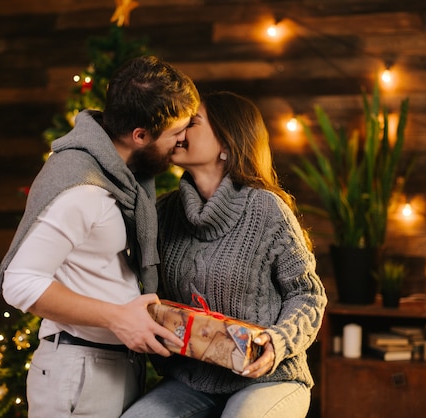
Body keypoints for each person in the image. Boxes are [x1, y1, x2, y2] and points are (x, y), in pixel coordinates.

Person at [0, 56, 200, 418]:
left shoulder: (123, 176)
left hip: (113, 365)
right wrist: (117, 318)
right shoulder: (82, 188)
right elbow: (20, 282)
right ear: (140, 135)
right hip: (80, 372)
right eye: (176, 131)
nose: (183, 140)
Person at [121, 91, 328, 418]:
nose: (180, 132)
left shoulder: (266, 210)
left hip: (270, 378)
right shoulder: (164, 212)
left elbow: (308, 295)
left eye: (193, 124)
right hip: (192, 381)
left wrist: (276, 344)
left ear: (227, 146)